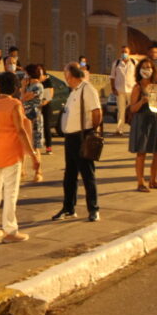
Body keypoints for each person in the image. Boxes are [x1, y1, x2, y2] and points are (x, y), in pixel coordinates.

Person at [0, 71, 39, 243]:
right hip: (11, 153)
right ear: (15, 87)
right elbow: (20, 131)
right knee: (10, 192)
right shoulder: (14, 104)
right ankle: (10, 230)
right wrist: (33, 154)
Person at [52, 62, 101, 222]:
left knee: (87, 175)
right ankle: (68, 208)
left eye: (65, 73)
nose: (64, 77)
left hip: (82, 136)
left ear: (71, 75)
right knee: (70, 176)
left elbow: (97, 112)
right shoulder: (73, 91)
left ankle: (94, 209)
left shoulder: (87, 89)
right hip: (70, 138)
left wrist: (91, 131)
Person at [128, 55, 157, 191]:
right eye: (143, 68)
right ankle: (140, 182)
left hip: (154, 120)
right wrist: (142, 101)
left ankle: (153, 180)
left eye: (148, 67)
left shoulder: (155, 87)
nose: (146, 70)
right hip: (141, 121)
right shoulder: (137, 88)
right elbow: (132, 108)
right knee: (141, 153)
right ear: (139, 70)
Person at [20, 64, 45, 182]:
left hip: (34, 118)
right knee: (24, 144)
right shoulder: (30, 86)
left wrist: (23, 87)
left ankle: (38, 172)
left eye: (25, 73)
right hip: (26, 118)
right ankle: (22, 172)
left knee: (34, 146)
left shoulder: (37, 86)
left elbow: (24, 98)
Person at [109, 46, 136, 136]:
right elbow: (112, 77)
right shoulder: (116, 63)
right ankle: (119, 129)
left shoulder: (134, 63)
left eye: (126, 52)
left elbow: (138, 76)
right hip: (120, 90)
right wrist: (113, 88)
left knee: (132, 110)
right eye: (122, 52)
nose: (124, 53)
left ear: (129, 52)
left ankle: (134, 128)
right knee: (121, 110)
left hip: (131, 90)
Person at [40, 66, 56, 155]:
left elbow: (50, 94)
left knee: (46, 126)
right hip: (37, 106)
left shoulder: (48, 81)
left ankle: (49, 146)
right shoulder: (35, 81)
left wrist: (44, 102)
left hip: (46, 106)